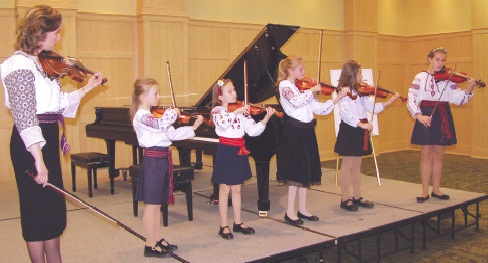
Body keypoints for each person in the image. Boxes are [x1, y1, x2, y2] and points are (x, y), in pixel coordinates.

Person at [0, 5, 104, 263]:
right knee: (36, 210)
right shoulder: (18, 65)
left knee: (53, 208)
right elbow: (25, 115)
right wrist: (38, 159)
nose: (59, 38)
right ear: (39, 33)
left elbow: (58, 105)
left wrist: (88, 87)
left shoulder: (44, 64)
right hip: (30, 145)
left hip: (47, 138)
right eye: (56, 32)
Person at [130, 78, 203, 257]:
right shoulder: (141, 116)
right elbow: (162, 124)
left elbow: (171, 134)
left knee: (158, 204)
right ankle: (149, 245)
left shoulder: (154, 115)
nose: (159, 97)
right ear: (142, 96)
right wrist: (173, 112)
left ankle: (157, 238)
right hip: (153, 161)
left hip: (162, 160)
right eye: (155, 93)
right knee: (151, 205)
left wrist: (193, 127)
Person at [276, 55, 346, 225]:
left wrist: (337, 98)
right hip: (294, 131)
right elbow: (295, 102)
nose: (304, 72)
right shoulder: (285, 86)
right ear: (290, 71)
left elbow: (320, 109)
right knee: (295, 173)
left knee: (305, 171)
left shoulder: (302, 88)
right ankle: (290, 212)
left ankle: (302, 209)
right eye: (300, 69)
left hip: (307, 131)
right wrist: (312, 91)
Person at [407, 47, 475, 203]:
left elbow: (458, 99)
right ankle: (424, 191)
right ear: (429, 59)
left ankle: (436, 189)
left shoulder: (448, 78)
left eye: (443, 60)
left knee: (439, 155)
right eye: (437, 59)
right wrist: (418, 115)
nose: (440, 63)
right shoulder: (420, 77)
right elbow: (412, 97)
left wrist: (469, 88)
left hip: (443, 115)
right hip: (425, 114)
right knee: (426, 154)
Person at [210, 79, 274, 239]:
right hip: (226, 151)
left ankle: (237, 223)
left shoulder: (239, 111)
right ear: (220, 97)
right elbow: (223, 124)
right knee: (224, 190)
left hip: (239, 150)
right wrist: (237, 112)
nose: (234, 93)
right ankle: (223, 225)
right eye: (229, 91)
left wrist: (265, 120)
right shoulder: (217, 112)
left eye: (234, 90)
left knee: (237, 189)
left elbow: (252, 131)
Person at [334, 60, 400, 211]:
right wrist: (360, 124)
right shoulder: (343, 91)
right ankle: (345, 198)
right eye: (360, 74)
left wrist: (389, 101)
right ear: (352, 75)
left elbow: (372, 107)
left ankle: (357, 196)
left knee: (357, 165)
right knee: (347, 164)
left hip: (360, 128)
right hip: (351, 129)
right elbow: (345, 113)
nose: (362, 76)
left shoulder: (361, 92)